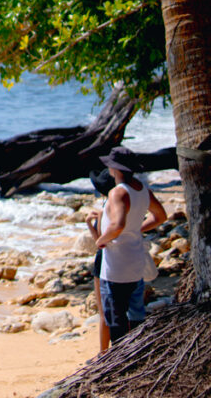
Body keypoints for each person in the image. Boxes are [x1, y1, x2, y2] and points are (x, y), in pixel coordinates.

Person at [86, 147, 167, 346]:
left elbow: (118, 224)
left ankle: (119, 364)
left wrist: (101, 240)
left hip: (115, 268)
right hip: (135, 264)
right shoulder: (142, 189)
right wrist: (137, 229)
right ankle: (135, 356)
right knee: (136, 316)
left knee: (116, 322)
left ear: (115, 169)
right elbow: (161, 216)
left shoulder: (118, 192)